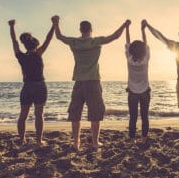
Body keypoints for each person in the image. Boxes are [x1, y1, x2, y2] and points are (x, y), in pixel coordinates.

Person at [51, 15, 129, 150]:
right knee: (95, 113)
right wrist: (125, 24)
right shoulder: (95, 41)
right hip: (93, 81)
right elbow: (115, 36)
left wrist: (56, 22)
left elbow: (59, 36)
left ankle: (76, 143)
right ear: (91, 29)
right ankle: (94, 142)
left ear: (80, 30)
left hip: (79, 82)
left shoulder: (74, 42)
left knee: (75, 113)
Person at [8, 19, 54, 146]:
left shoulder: (20, 56)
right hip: (39, 86)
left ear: (25, 45)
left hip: (27, 87)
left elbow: (14, 40)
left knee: (23, 115)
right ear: (36, 45)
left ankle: (22, 139)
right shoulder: (38, 54)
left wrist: (12, 26)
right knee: (39, 114)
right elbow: (48, 39)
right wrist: (54, 25)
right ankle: (39, 141)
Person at [125, 20, 151, 143]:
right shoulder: (145, 59)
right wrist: (143, 29)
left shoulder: (129, 59)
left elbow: (128, 42)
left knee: (133, 116)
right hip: (145, 91)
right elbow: (145, 44)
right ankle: (144, 138)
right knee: (144, 116)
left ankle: (131, 137)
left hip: (132, 92)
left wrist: (127, 27)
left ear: (131, 50)